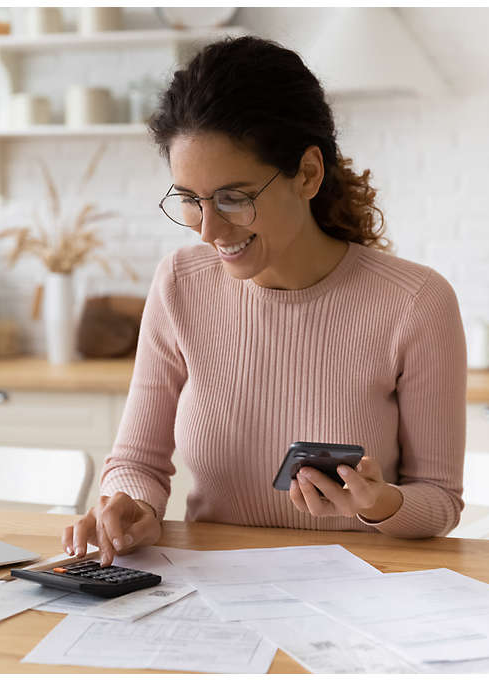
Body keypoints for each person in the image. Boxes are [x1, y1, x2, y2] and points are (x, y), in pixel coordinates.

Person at [63, 36, 466, 565]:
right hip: (210, 591)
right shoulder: (181, 284)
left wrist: (381, 503)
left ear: (308, 174)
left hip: (360, 596)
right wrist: (133, 506)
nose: (208, 230)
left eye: (234, 198)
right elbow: (138, 459)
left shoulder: (415, 302)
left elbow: (439, 500)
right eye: (189, 200)